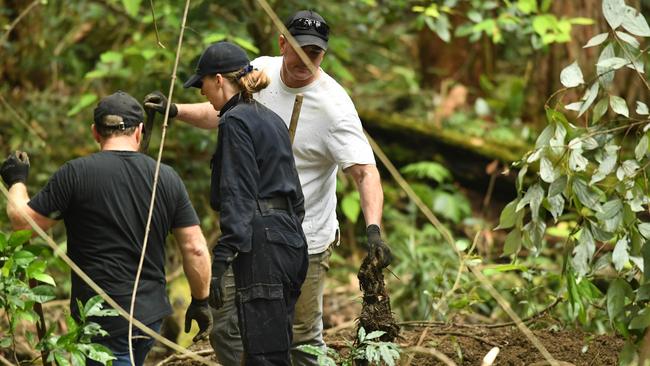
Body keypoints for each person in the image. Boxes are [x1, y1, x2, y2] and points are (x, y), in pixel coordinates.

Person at [144, 9, 392, 366]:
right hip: (249, 232)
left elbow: (365, 173)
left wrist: (373, 231)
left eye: (316, 53)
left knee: (300, 336)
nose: (306, 59)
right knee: (226, 323)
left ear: (325, 53)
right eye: (299, 48)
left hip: (305, 237)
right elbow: (222, 110)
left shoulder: (334, 106)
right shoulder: (260, 73)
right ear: (282, 44)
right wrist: (175, 110)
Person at [1, 91, 212, 366]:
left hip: (98, 319)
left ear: (95, 133)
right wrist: (201, 300)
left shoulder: (75, 174)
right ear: (139, 131)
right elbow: (195, 247)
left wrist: (17, 180)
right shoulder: (167, 177)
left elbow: (23, 222)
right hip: (148, 317)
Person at [180, 41, 308, 365]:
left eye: (203, 84)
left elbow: (239, 192)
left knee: (265, 355)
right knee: (272, 346)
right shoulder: (270, 119)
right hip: (291, 239)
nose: (201, 93)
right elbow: (296, 195)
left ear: (219, 80)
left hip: (262, 241)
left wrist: (223, 256)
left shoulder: (234, 120)